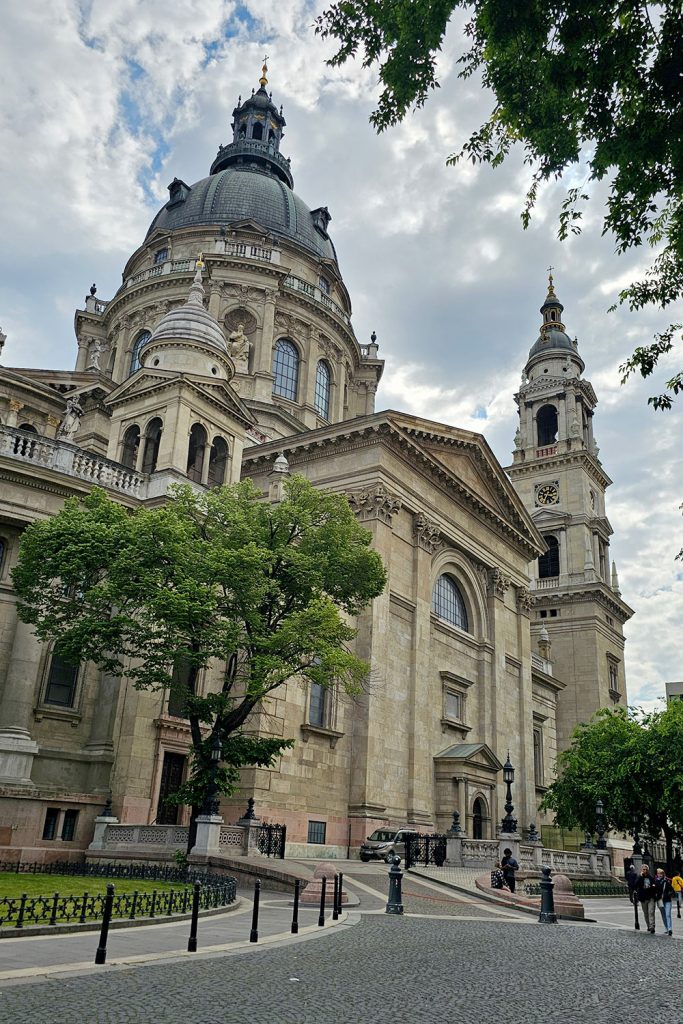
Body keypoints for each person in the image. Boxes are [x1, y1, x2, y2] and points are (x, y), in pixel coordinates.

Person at [634, 864, 657, 933]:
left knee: (651, 912)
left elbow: (654, 885)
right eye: (644, 869)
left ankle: (652, 926)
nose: (645, 871)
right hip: (643, 898)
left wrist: (653, 887)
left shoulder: (651, 878)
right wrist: (640, 876)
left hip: (651, 897)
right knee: (646, 913)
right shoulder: (639, 877)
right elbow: (635, 884)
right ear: (641, 870)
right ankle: (648, 926)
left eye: (646, 869)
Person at [654, 868, 674, 936]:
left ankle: (670, 929)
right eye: (658, 873)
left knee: (668, 914)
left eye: (660, 873)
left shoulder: (666, 881)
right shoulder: (656, 881)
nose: (659, 875)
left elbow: (672, 890)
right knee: (663, 915)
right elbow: (654, 891)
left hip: (667, 900)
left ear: (663, 874)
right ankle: (666, 927)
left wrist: (667, 894)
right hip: (660, 900)